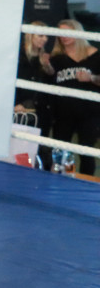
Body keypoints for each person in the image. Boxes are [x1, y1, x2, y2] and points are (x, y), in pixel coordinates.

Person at [49, 19, 100, 175]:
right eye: (61, 33)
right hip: (63, 111)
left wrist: (91, 78)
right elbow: (50, 80)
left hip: (89, 112)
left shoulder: (95, 55)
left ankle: (86, 184)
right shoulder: (56, 58)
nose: (64, 37)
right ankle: (66, 178)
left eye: (68, 33)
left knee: (86, 151)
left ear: (77, 32)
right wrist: (47, 67)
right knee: (63, 150)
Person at [15, 21, 54, 166]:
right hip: (21, 107)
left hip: (41, 108)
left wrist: (47, 66)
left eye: (46, 36)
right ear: (30, 35)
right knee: (20, 145)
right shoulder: (18, 54)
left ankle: (45, 177)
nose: (44, 39)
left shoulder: (44, 57)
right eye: (40, 35)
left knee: (42, 145)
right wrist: (15, 103)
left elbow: (51, 82)